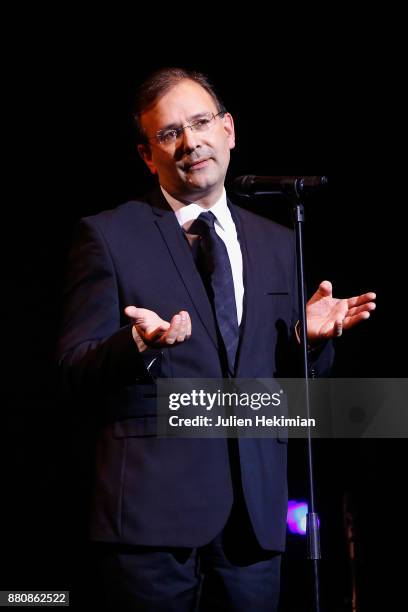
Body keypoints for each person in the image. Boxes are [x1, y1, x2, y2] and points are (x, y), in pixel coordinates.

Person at [58, 67, 376, 611]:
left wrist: (311, 341)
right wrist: (137, 346)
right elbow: (75, 367)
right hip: (149, 522)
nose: (190, 142)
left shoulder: (279, 243)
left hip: (254, 519)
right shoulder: (108, 235)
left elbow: (297, 391)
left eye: (201, 122)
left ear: (228, 129)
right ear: (146, 154)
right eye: (169, 133)